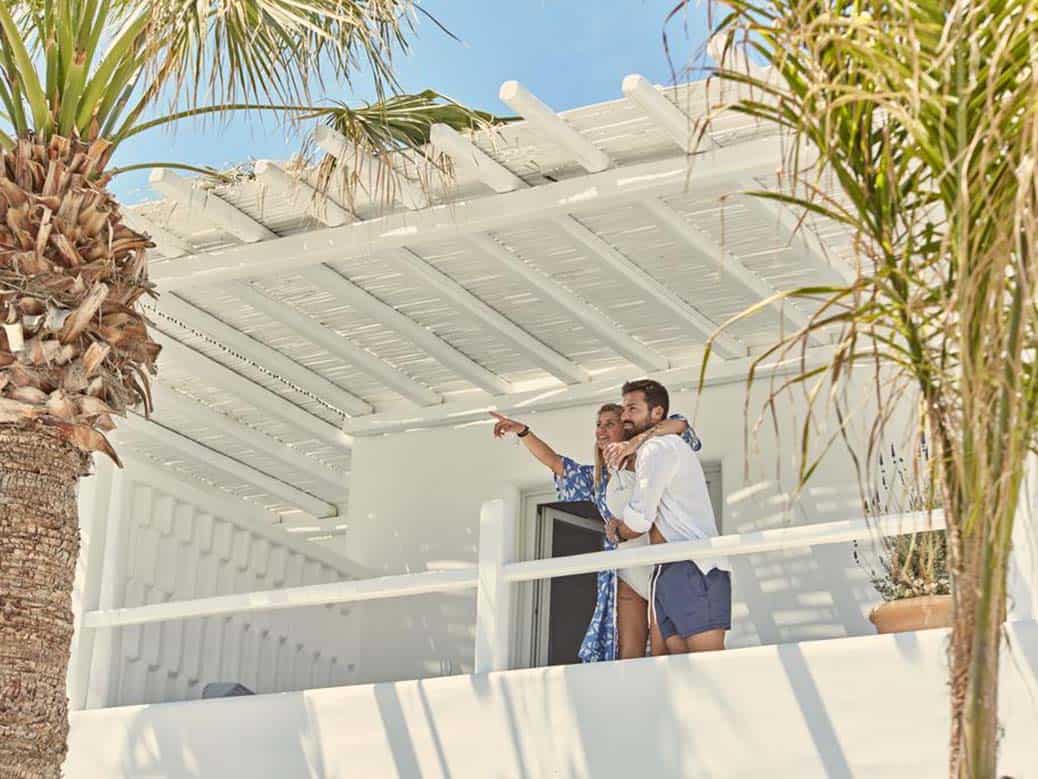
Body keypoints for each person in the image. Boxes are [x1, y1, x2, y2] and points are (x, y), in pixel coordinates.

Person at [490, 405, 701, 661]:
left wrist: (637, 441)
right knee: (628, 654)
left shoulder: (654, 462)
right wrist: (523, 432)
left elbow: (681, 425)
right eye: (599, 425)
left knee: (664, 650)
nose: (601, 430)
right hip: (626, 572)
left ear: (626, 428)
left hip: (663, 569)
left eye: (609, 424)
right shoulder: (598, 479)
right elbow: (556, 463)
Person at [606, 379, 731, 655]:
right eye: (624, 409)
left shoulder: (658, 448)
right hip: (666, 570)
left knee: (709, 666)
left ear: (657, 413)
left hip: (693, 566)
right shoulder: (649, 448)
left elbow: (640, 519)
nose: (624, 416)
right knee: (677, 673)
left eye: (633, 408)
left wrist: (617, 531)